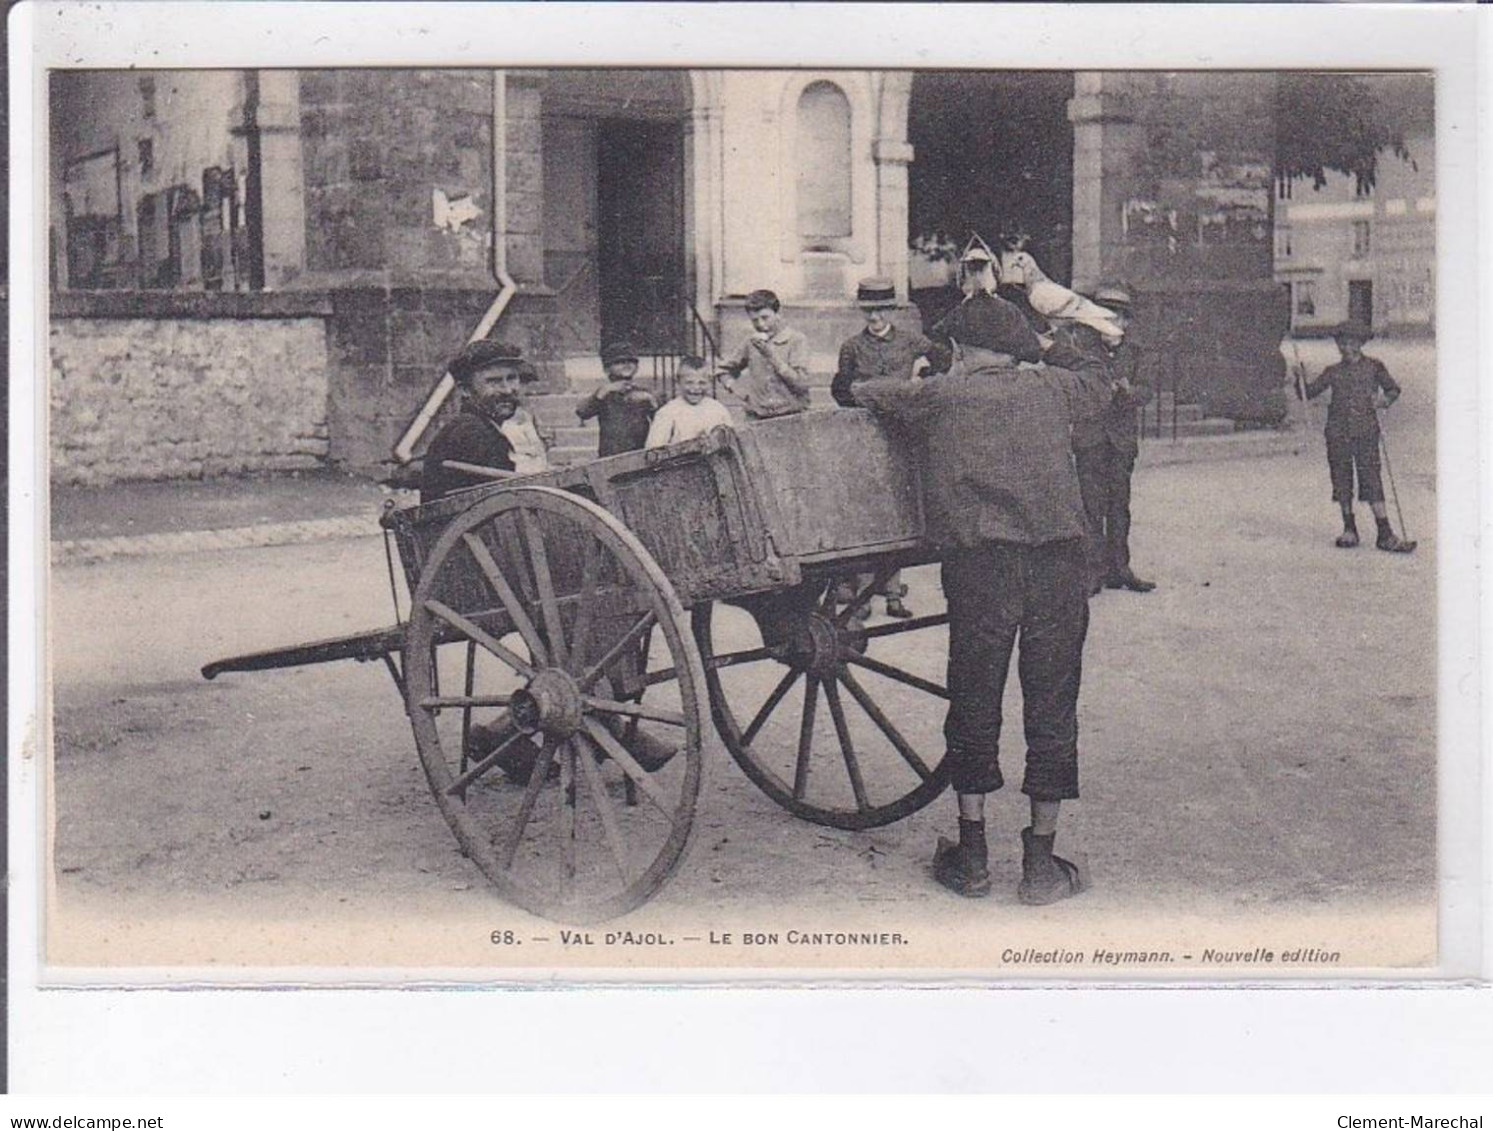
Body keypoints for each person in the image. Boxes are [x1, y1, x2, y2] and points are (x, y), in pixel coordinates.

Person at [853, 315, 1110, 905]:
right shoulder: (1052, 386)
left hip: (982, 566)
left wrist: (912, 374)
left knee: (974, 697)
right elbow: (1099, 375)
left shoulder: (942, 393)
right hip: (1058, 563)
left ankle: (972, 860)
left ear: (965, 348)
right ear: (1015, 351)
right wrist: (1051, 344)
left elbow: (863, 392)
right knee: (1052, 702)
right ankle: (1041, 867)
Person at [832, 276, 937, 618]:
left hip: (902, 437)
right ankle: (862, 594)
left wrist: (921, 381)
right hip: (865, 438)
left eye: (880, 310)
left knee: (898, 512)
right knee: (867, 512)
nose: (874, 317)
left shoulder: (911, 342)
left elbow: (944, 361)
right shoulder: (851, 347)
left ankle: (892, 592)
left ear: (891, 310)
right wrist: (863, 398)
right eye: (868, 311)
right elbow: (840, 390)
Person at [1068, 284, 1156, 594]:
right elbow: (1074, 388)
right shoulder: (1081, 351)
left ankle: (1120, 567)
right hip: (1090, 437)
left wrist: (1127, 392)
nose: (1111, 323)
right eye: (1104, 317)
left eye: (1117, 317)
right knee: (1091, 506)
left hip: (1120, 439)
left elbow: (1146, 390)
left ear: (1127, 322)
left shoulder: (1136, 352)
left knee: (1119, 505)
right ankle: (1093, 571)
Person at [1303, 320, 1414, 552]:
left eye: (1350, 342)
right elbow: (1310, 392)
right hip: (1337, 433)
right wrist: (1299, 380)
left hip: (1366, 432)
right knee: (1342, 479)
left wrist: (1383, 401)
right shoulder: (1332, 371)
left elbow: (1393, 389)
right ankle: (1349, 529)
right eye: (1341, 343)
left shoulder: (1375, 367)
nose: (1345, 347)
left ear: (1360, 343)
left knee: (1372, 479)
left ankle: (1385, 534)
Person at [421, 339, 538, 503]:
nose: (507, 390)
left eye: (511, 378)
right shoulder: (472, 433)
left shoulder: (481, 427)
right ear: (465, 390)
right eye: (494, 381)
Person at [718, 289, 812, 420]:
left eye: (765, 318)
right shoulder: (750, 342)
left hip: (790, 417)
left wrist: (771, 356)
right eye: (755, 320)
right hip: (757, 417)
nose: (761, 324)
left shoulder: (796, 340)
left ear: (778, 313)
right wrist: (737, 389)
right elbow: (723, 370)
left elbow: (802, 384)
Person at [576, 340, 659, 457]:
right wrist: (601, 393)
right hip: (611, 454)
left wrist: (652, 402)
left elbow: (661, 421)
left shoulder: (644, 394)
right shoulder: (605, 394)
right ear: (607, 369)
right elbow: (583, 412)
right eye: (619, 362)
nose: (626, 365)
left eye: (631, 361)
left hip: (639, 453)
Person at [645, 356, 734, 449]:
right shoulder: (668, 413)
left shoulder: (718, 409)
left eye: (702, 383)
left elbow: (732, 441)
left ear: (710, 383)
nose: (695, 388)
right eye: (689, 383)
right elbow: (653, 449)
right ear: (678, 382)